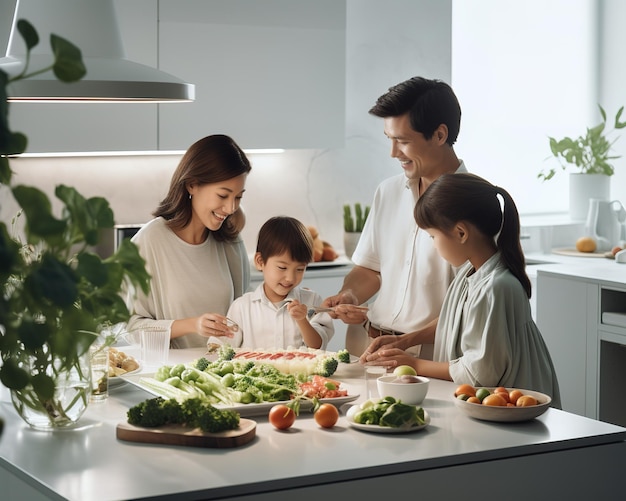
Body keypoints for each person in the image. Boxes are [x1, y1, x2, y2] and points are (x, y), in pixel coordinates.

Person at [362, 173, 562, 408]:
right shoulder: (471, 273)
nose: (434, 245)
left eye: (433, 236)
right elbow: (454, 320)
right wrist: (405, 341)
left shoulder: (496, 287)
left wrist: (413, 364)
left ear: (461, 233)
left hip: (515, 413)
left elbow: (479, 374)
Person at [322, 76, 467, 357]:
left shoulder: (475, 204)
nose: (392, 153)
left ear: (439, 135)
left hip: (426, 356)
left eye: (402, 141)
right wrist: (350, 295)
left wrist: (406, 342)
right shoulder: (387, 192)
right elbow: (369, 268)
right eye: (389, 140)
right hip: (367, 345)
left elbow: (471, 308)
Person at [126, 134, 252, 349]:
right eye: (223, 195)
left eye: (238, 197)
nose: (231, 208)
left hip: (227, 374)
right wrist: (193, 325)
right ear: (192, 185)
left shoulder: (230, 240)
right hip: (172, 377)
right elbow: (131, 329)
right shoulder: (150, 241)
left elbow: (246, 315)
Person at [223, 216, 334, 350]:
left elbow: (318, 346)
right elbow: (222, 348)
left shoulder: (312, 301)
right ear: (260, 262)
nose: (290, 278)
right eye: (282, 268)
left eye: (300, 269)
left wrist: (302, 320)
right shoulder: (241, 307)